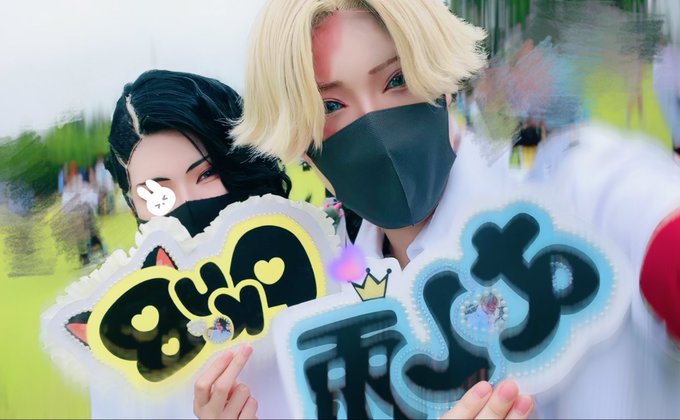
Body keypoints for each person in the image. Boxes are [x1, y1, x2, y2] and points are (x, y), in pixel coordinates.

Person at [230, 0, 680, 418]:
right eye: (331, 105)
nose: (375, 123)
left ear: (440, 81)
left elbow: (654, 226)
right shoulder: (331, 303)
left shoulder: (570, 186)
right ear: (303, 148)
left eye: (396, 79)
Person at [89, 69, 291, 419]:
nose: (186, 202)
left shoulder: (322, 271)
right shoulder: (125, 346)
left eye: (206, 174)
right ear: (133, 203)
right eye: (156, 192)